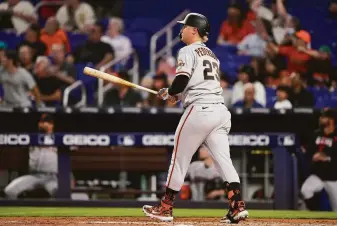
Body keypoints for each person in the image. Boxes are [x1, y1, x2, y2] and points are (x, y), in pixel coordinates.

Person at [142, 13, 248, 224]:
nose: (181, 30)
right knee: (223, 161)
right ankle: (237, 206)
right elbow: (194, 83)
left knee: (178, 160)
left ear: (194, 30)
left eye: (184, 27)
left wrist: (172, 93)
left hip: (200, 110)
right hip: (220, 112)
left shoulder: (187, 50)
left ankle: (165, 207)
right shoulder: (211, 54)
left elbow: (182, 79)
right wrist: (173, 93)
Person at [4, 113, 58, 199]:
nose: (44, 124)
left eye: (48, 122)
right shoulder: (30, 137)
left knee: (58, 193)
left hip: (52, 178)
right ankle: (20, 212)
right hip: (33, 176)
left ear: (52, 125)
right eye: (42, 122)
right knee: (10, 191)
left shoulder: (59, 138)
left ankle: (55, 213)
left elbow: (74, 145)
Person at [301, 110, 337, 211]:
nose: (321, 119)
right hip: (318, 175)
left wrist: (327, 157)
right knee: (306, 190)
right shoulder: (316, 134)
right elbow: (309, 152)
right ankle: (316, 214)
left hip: (334, 178)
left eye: (324, 117)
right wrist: (311, 155)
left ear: (331, 120)